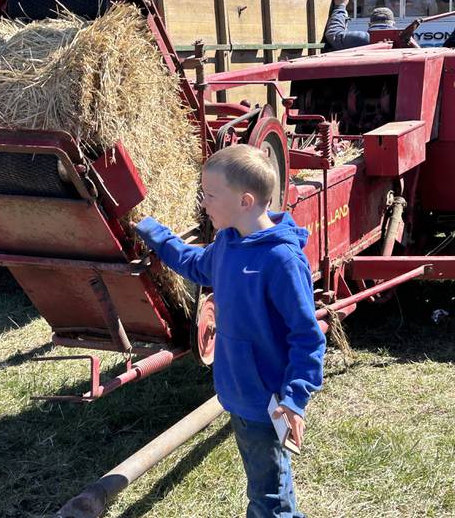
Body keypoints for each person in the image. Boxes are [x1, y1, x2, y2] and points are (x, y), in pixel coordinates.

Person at [133, 144, 326, 518]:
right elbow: (195, 264)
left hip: (267, 401)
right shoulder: (228, 244)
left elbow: (307, 337)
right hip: (237, 392)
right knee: (270, 483)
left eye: (209, 195)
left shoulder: (281, 260)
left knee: (267, 498)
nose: (203, 204)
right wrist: (155, 233)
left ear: (245, 200)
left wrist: (294, 399)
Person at [322, 0, 395, 52]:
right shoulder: (403, 41)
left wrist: (340, 6)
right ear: (393, 24)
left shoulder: (361, 38)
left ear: (369, 24)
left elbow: (334, 34)